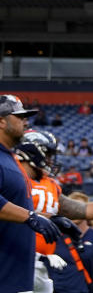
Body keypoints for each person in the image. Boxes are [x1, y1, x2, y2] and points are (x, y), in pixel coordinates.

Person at [0, 95, 62, 293]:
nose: (25, 121)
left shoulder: (10, 159)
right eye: (19, 116)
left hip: (16, 276)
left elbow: (15, 212)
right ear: (1, 121)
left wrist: (49, 219)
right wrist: (30, 216)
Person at [48, 192, 93, 293]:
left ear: (87, 212)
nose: (75, 212)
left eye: (78, 208)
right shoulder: (53, 235)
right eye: (72, 208)